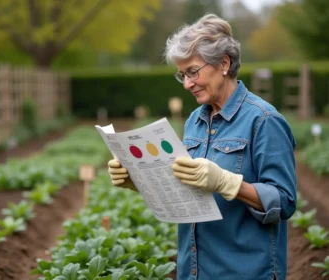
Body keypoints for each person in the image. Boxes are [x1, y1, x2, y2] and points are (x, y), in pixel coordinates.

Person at [107, 14, 297, 280]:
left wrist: (227, 183)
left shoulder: (264, 120)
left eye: (193, 72)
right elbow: (185, 187)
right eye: (182, 75)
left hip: (244, 271)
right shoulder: (195, 121)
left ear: (224, 63)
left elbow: (285, 202)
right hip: (194, 270)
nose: (187, 84)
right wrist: (138, 178)